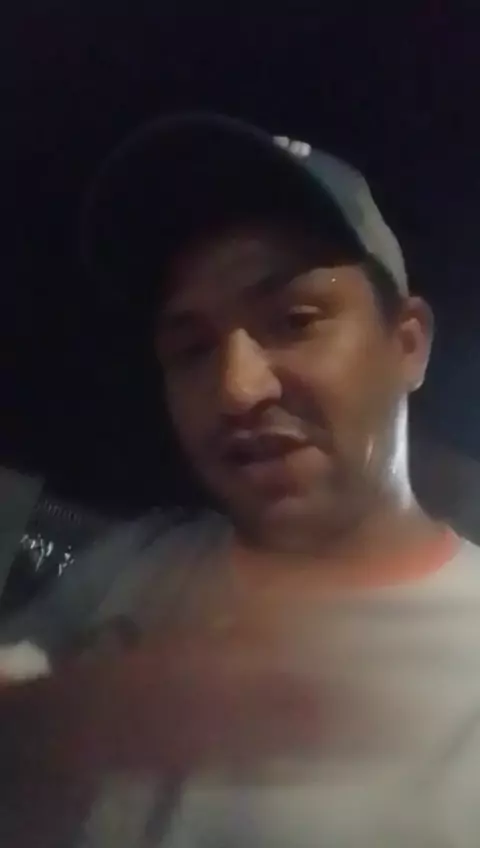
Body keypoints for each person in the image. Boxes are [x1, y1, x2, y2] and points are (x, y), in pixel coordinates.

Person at [3, 113, 480, 847]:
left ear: (408, 345)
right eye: (193, 349)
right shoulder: (142, 560)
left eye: (295, 320)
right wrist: (53, 724)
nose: (236, 389)